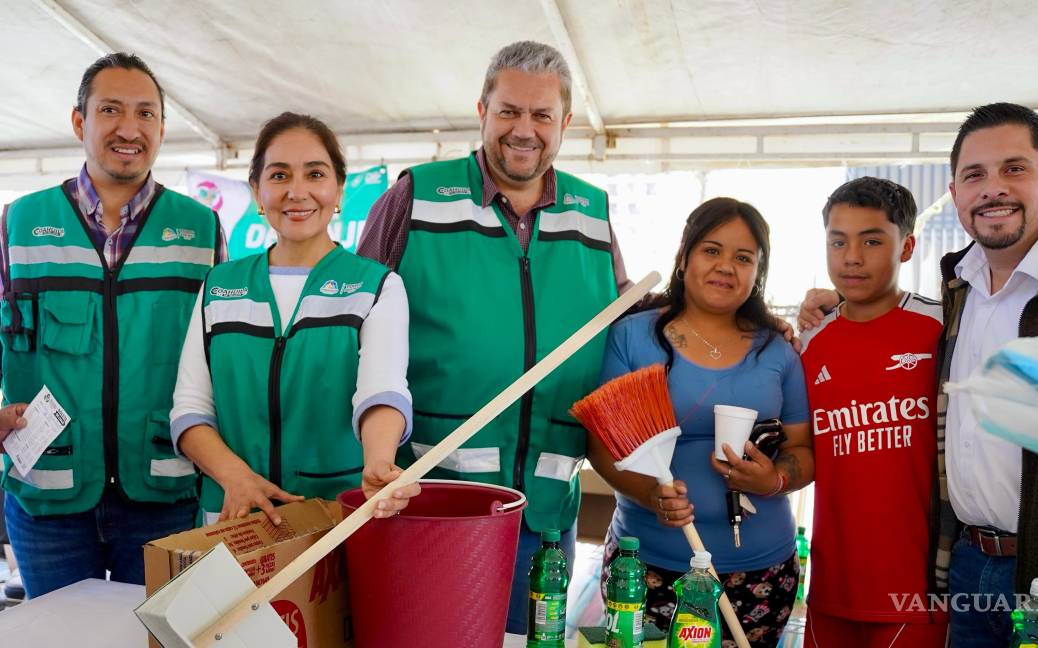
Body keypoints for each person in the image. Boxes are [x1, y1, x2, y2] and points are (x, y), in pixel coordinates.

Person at [801, 103, 1038, 647]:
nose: (993, 189)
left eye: (1014, 169)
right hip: (968, 568)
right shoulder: (959, 289)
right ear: (957, 193)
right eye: (974, 175)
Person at [355, 40, 627, 633]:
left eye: (540, 115)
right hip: (434, 508)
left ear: (565, 124)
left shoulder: (593, 213)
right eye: (508, 111)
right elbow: (352, 322)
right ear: (481, 110)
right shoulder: (417, 197)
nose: (522, 129)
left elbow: (629, 328)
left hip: (548, 517)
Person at [0, 52, 225, 598]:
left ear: (163, 128)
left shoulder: (200, 230)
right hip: (47, 499)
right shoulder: (19, 223)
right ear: (80, 122)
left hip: (165, 495)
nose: (130, 128)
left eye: (146, 114)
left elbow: (225, 353)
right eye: (111, 110)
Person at [171, 112, 419, 525]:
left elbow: (382, 391)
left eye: (315, 174)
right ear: (257, 192)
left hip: (332, 520)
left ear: (339, 189)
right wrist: (237, 477)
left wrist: (378, 462)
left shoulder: (377, 287)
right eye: (280, 175)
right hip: (233, 518)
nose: (297, 192)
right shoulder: (218, 286)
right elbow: (190, 410)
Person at [589, 197, 813, 646]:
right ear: (685, 256)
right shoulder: (633, 337)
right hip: (648, 565)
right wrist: (653, 495)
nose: (725, 266)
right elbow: (601, 447)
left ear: (758, 272)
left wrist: (773, 478)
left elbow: (804, 452)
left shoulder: (778, 352)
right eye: (712, 250)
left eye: (743, 257)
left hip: (761, 571)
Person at [798, 177, 947, 647]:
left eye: (872, 241)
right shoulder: (809, 341)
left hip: (918, 595)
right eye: (838, 241)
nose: (852, 257)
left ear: (906, 248)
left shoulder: (942, 327)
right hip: (830, 588)